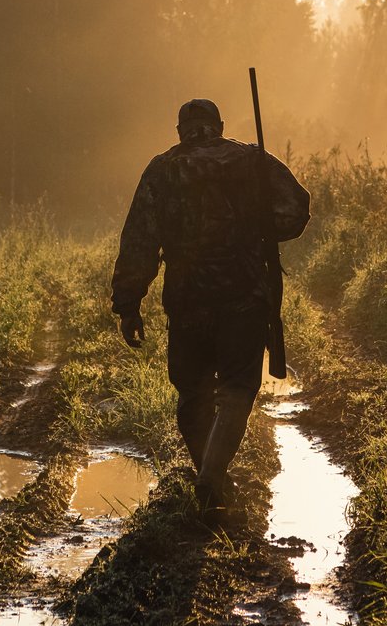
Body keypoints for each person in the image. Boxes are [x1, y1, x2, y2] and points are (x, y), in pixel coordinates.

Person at [111, 98, 311, 510]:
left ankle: (208, 476)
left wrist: (129, 303)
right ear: (219, 125)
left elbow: (140, 241)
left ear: (180, 130)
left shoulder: (162, 169)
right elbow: (296, 208)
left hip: (187, 299)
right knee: (238, 387)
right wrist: (258, 229)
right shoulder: (251, 160)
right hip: (244, 295)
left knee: (193, 393)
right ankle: (211, 479)